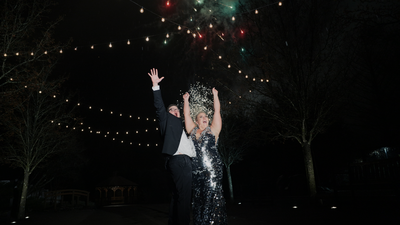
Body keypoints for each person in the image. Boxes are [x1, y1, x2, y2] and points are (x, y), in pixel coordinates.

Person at [148, 68, 196, 225]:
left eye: (177, 109)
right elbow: (159, 107)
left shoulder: (184, 127)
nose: (175, 111)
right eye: (172, 110)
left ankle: (173, 222)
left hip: (186, 161)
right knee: (184, 196)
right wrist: (155, 86)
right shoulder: (166, 121)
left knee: (177, 195)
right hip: (179, 159)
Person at [183, 88, 227, 225]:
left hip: (213, 171)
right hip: (197, 172)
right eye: (201, 117)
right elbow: (186, 115)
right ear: (196, 121)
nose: (205, 118)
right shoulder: (192, 130)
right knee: (199, 199)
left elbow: (217, 111)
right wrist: (185, 101)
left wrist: (215, 96)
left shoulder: (213, 130)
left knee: (213, 199)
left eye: (206, 116)